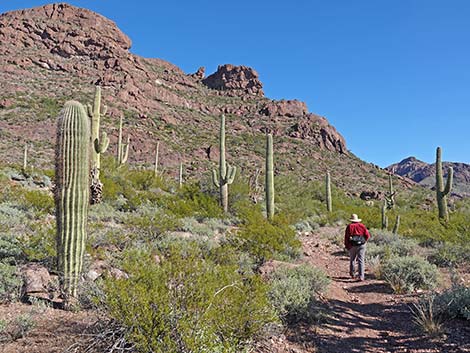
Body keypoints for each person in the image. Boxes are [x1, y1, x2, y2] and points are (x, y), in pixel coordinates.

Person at [344, 214, 370, 281]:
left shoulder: (349, 226)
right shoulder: (362, 225)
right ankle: (361, 276)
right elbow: (367, 235)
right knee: (361, 260)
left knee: (352, 259)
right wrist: (364, 241)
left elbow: (346, 237)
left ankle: (352, 274)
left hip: (352, 245)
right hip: (362, 245)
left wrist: (347, 246)